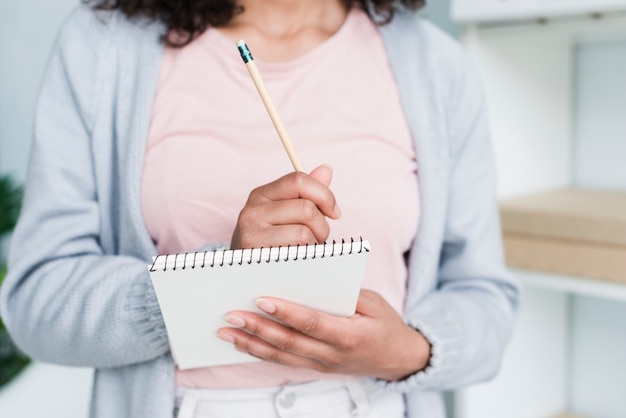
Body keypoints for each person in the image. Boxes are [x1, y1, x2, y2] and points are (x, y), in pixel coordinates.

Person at [0, 0, 520, 417]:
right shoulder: (103, 45)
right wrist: (210, 280)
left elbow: (487, 301)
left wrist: (405, 352)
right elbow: (35, 301)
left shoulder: (436, 64)